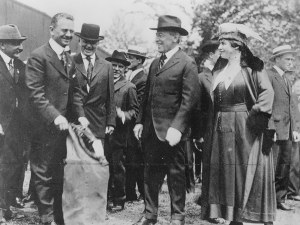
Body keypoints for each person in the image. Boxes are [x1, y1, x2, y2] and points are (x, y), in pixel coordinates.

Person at [200, 23, 276, 225]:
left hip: (244, 126)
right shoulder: (219, 69)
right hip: (219, 125)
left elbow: (267, 93)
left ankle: (242, 215)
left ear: (237, 46)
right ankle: (228, 215)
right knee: (222, 170)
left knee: (241, 170)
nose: (220, 47)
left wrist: (253, 115)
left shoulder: (253, 67)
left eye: (223, 43)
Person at [133, 15, 199, 225]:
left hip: (173, 133)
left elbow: (190, 101)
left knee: (175, 175)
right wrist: (140, 121)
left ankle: (177, 217)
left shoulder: (187, 63)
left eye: (160, 35)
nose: (157, 39)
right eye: (157, 35)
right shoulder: (154, 64)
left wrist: (177, 128)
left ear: (175, 37)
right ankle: (149, 214)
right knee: (150, 173)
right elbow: (146, 97)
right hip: (152, 130)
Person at [25, 13, 76, 225]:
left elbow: (73, 94)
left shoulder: (69, 59)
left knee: (58, 173)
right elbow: (35, 93)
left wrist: (79, 118)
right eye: (64, 30)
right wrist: (55, 117)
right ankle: (46, 218)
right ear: (52, 29)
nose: (68, 34)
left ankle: (58, 216)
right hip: (43, 127)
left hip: (62, 129)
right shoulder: (39, 56)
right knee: (42, 172)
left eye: (71, 31)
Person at [0, 24, 28, 223]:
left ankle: (6, 204)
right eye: (15, 43)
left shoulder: (20, 66)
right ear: (2, 45)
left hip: (16, 128)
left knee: (11, 166)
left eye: (20, 43)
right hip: (0, 126)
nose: (19, 47)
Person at [267, 45, 300, 210]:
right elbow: (267, 105)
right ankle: (266, 201)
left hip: (287, 131)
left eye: (292, 59)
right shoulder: (268, 76)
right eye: (287, 59)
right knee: (271, 167)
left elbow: (291, 106)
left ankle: (279, 199)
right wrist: (270, 127)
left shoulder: (287, 79)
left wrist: (295, 129)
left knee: (284, 166)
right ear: (276, 59)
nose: (291, 62)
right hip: (274, 130)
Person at [105, 50, 139, 211]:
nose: (117, 68)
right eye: (114, 65)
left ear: (125, 69)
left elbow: (135, 112)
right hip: (103, 133)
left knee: (118, 168)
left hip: (119, 135)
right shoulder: (103, 83)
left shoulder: (129, 87)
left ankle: (119, 200)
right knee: (103, 167)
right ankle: (104, 198)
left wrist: (122, 114)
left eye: (120, 66)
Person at [72, 23, 115, 140]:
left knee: (97, 157)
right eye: (85, 41)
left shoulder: (107, 66)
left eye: (93, 43)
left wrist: (111, 122)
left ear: (98, 43)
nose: (89, 46)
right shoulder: (70, 62)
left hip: (97, 125)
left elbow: (110, 97)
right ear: (79, 41)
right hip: (74, 123)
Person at [193, 38, 220, 184]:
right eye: (219, 52)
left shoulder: (224, 75)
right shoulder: (201, 78)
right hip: (208, 130)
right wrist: (199, 135)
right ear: (211, 55)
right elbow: (197, 109)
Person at [125, 45, 147, 202]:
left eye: (131, 57)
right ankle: (131, 192)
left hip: (135, 125)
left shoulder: (143, 79)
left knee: (136, 160)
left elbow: (139, 105)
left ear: (139, 60)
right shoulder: (130, 75)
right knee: (131, 159)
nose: (128, 60)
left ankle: (141, 193)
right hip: (126, 125)